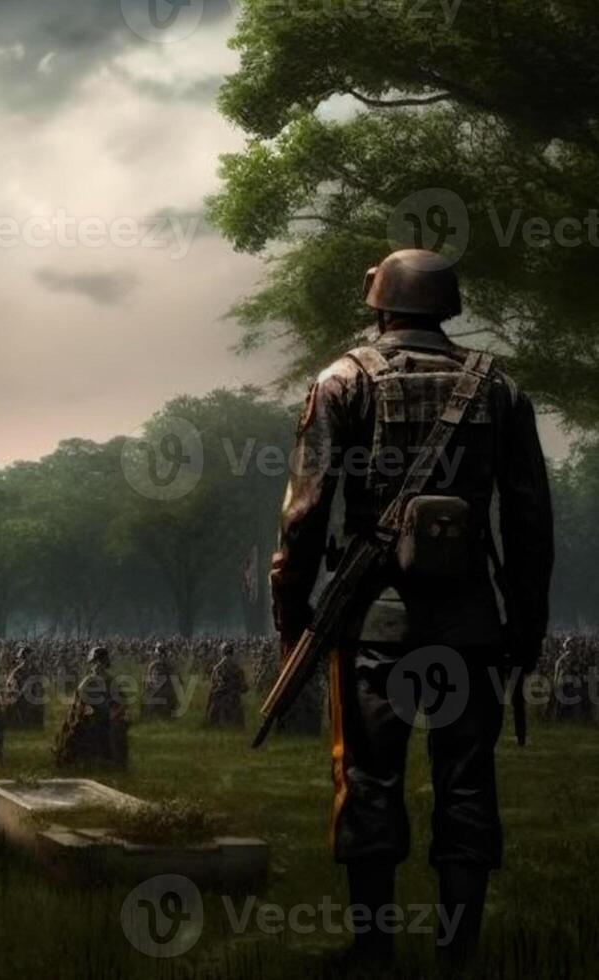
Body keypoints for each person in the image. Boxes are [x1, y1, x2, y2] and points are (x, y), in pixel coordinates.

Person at [270, 249, 554, 965]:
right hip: (472, 628)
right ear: (447, 305)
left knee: (369, 782)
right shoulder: (502, 391)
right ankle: (457, 954)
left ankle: (374, 952)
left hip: (373, 627)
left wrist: (292, 612)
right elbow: (529, 524)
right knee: (467, 786)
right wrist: (526, 627)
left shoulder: (342, 381)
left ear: (379, 303)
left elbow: (304, 516)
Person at [52, 647, 127, 770]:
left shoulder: (109, 681)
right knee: (73, 729)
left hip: (104, 717)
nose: (95, 666)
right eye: (94, 663)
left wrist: (113, 713)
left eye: (97, 663)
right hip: (90, 716)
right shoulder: (90, 680)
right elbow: (79, 700)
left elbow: (120, 702)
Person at [0, 646, 44, 729]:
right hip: (19, 697)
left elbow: (39, 684)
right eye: (27, 657)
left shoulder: (35, 670)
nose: (29, 660)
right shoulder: (17, 672)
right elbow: (11, 686)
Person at [204, 643, 246, 729]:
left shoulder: (219, 666)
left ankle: (213, 723)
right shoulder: (236, 665)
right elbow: (242, 679)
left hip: (223, 691)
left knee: (214, 706)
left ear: (222, 652)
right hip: (234, 691)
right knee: (239, 711)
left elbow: (214, 681)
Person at [140, 644, 176, 721]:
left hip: (159, 689)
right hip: (162, 690)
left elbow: (148, 679)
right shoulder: (166, 664)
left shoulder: (154, 664)